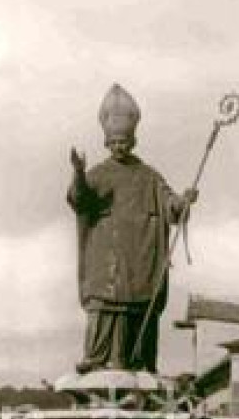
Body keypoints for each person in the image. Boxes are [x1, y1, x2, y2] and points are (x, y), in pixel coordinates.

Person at [68, 84, 196, 375]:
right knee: (103, 305)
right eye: (113, 142)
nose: (119, 147)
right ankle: (97, 358)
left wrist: (183, 202)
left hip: (141, 264)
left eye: (123, 141)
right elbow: (79, 199)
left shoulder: (150, 177)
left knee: (140, 310)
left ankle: (138, 360)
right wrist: (77, 173)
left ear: (133, 140)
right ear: (106, 142)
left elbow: (170, 205)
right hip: (107, 263)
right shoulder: (97, 175)